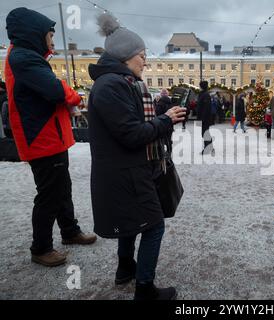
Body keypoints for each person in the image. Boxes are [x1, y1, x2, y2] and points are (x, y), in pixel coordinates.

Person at [88, 13, 186, 300]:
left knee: (134, 223)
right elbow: (131, 135)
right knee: (153, 227)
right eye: (142, 55)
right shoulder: (112, 85)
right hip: (125, 173)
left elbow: (129, 126)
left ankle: (125, 269)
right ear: (126, 56)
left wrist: (159, 119)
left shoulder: (117, 83)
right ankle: (145, 289)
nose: (145, 61)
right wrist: (165, 120)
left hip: (126, 171)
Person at [4, 7, 97, 267]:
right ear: (35, 33)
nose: (52, 43)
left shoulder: (25, 56)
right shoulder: (24, 58)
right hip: (41, 138)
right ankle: (41, 247)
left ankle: (69, 231)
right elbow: (56, 90)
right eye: (50, 36)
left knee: (61, 188)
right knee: (49, 194)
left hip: (48, 137)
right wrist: (74, 96)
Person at [197, 81, 213, 154]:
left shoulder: (206, 95)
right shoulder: (202, 94)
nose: (199, 87)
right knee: (204, 133)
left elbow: (206, 108)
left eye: (200, 86)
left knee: (205, 133)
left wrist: (202, 119)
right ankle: (210, 147)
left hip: (205, 118)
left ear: (202, 87)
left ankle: (207, 148)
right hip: (202, 118)